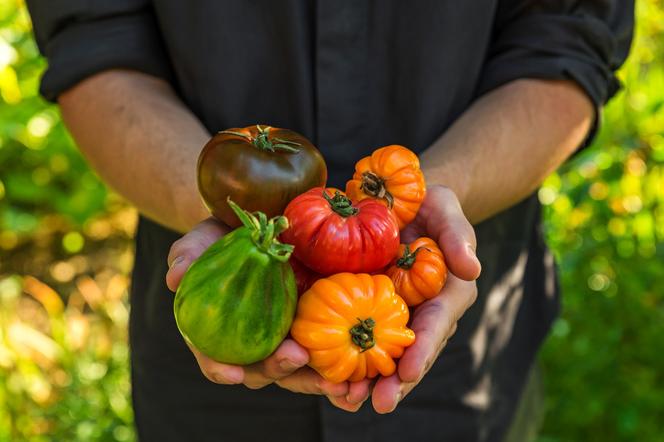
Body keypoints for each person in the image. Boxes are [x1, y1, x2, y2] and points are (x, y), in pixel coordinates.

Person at [26, 1, 633, 441]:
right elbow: (95, 38)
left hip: (471, 367)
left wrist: (438, 199)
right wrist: (226, 217)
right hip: (206, 381)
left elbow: (568, 41)